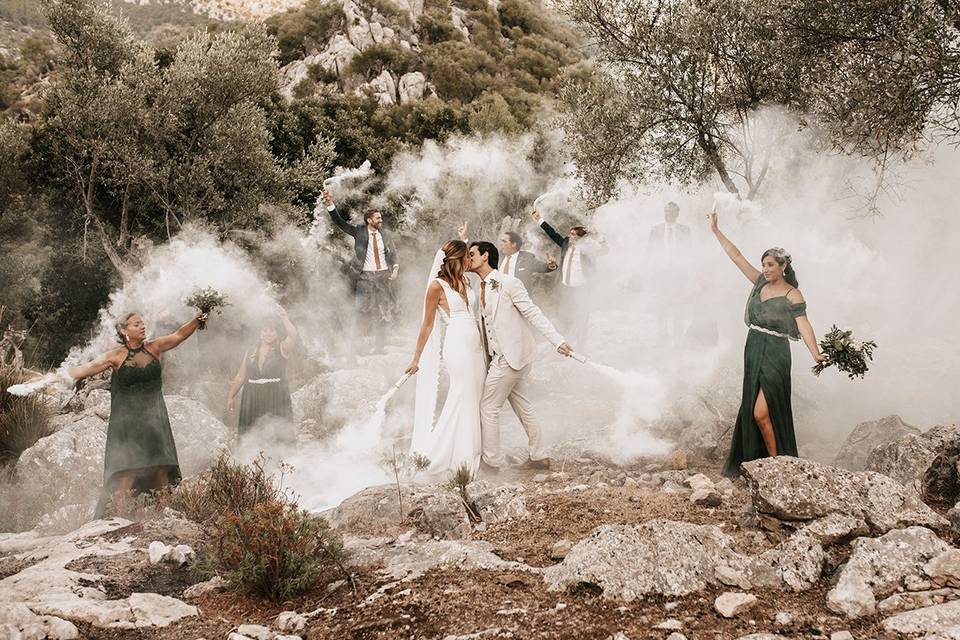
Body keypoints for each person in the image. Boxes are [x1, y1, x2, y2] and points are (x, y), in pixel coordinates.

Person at [708, 211, 826, 477]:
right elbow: (736, 256)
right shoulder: (760, 282)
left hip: (776, 352)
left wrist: (816, 353)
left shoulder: (792, 294)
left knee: (762, 412)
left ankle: (778, 464)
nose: (765, 269)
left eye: (771, 265)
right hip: (753, 347)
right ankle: (764, 462)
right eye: (764, 264)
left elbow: (804, 325)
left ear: (782, 266)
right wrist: (716, 231)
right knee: (753, 409)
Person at [60, 311, 208, 517]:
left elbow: (179, 336)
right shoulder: (116, 356)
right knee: (126, 471)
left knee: (160, 468)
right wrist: (51, 379)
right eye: (136, 324)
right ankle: (119, 520)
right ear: (124, 330)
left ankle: (162, 518)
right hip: (127, 422)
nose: (142, 326)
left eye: (142, 323)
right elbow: (85, 369)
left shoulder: (154, 347)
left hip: (155, 419)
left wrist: (196, 320)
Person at [468, 240, 573, 473]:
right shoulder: (480, 288)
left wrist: (557, 340)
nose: (468, 257)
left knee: (488, 407)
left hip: (512, 356)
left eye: (472, 253)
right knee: (523, 407)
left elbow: (533, 313)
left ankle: (491, 462)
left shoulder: (509, 283)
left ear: (485, 256)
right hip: (500, 357)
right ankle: (539, 456)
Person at [405, 240, 486, 477]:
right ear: (456, 260)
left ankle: (468, 450)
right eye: (466, 258)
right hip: (457, 344)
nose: (470, 262)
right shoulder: (436, 286)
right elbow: (427, 324)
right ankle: (454, 456)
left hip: (475, 344)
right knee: (463, 394)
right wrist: (416, 358)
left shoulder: (466, 280)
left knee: (475, 397)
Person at [322, 190, 399, 353]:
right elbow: (339, 222)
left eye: (380, 217)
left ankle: (379, 348)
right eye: (378, 218)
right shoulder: (359, 231)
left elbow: (393, 253)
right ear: (369, 220)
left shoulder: (385, 234)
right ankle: (355, 348)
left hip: (383, 276)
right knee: (360, 312)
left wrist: (396, 267)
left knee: (383, 311)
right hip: (366, 277)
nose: (381, 220)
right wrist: (330, 204)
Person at [226, 305, 298, 438]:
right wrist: (231, 396)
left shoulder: (282, 348)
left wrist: (284, 317)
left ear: (277, 333)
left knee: (276, 435)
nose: (268, 333)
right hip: (252, 397)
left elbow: (293, 335)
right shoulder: (250, 351)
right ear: (260, 333)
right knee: (253, 434)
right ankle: (253, 457)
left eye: (272, 330)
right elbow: (240, 377)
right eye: (265, 330)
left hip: (275, 396)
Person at [531, 209, 593, 346]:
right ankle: (565, 343)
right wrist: (539, 219)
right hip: (566, 287)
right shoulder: (565, 243)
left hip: (580, 288)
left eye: (573, 235)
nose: (570, 236)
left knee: (582, 316)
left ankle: (581, 345)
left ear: (580, 238)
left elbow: (602, 251)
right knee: (564, 315)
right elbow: (552, 233)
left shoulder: (587, 249)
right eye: (570, 234)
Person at [647, 201, 694, 346]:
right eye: (666, 211)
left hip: (679, 274)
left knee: (677, 307)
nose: (668, 214)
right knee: (661, 307)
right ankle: (663, 340)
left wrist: (690, 273)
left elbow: (690, 252)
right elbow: (649, 252)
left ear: (677, 213)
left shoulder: (685, 230)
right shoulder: (655, 230)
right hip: (660, 274)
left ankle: (678, 339)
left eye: (671, 212)